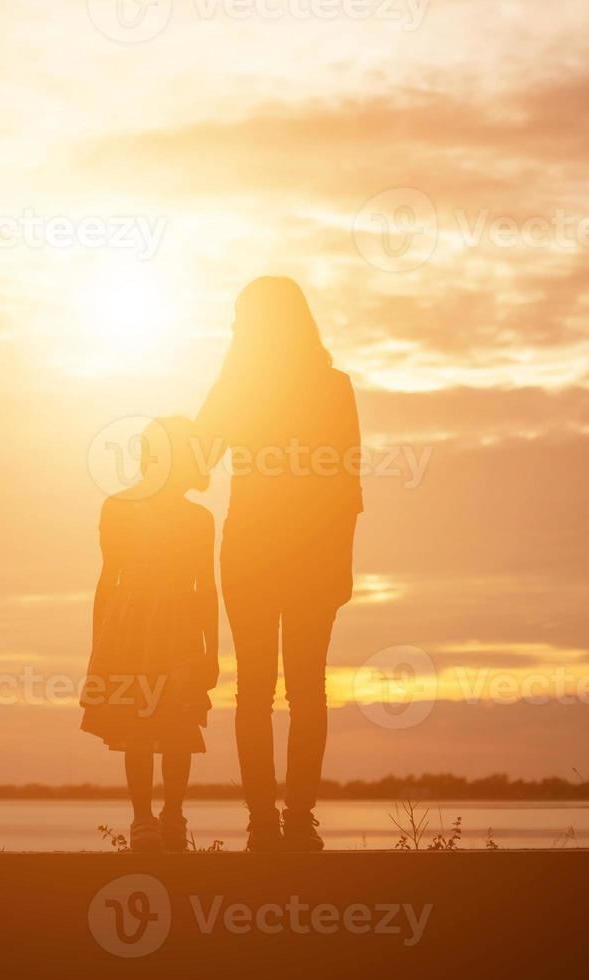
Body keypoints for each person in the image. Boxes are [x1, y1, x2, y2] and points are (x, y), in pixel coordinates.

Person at [196, 277, 362, 853]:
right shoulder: (330, 386)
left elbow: (195, 464)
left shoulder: (243, 387)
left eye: (241, 321)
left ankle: (270, 822)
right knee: (302, 692)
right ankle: (289, 821)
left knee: (260, 693)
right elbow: (349, 489)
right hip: (296, 558)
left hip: (264, 555)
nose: (235, 330)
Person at [80, 416, 219, 852]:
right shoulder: (117, 508)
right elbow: (108, 578)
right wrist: (97, 647)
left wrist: (212, 652)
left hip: (179, 628)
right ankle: (142, 819)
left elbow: (205, 587)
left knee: (178, 723)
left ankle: (173, 816)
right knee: (136, 725)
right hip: (128, 629)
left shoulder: (199, 518)